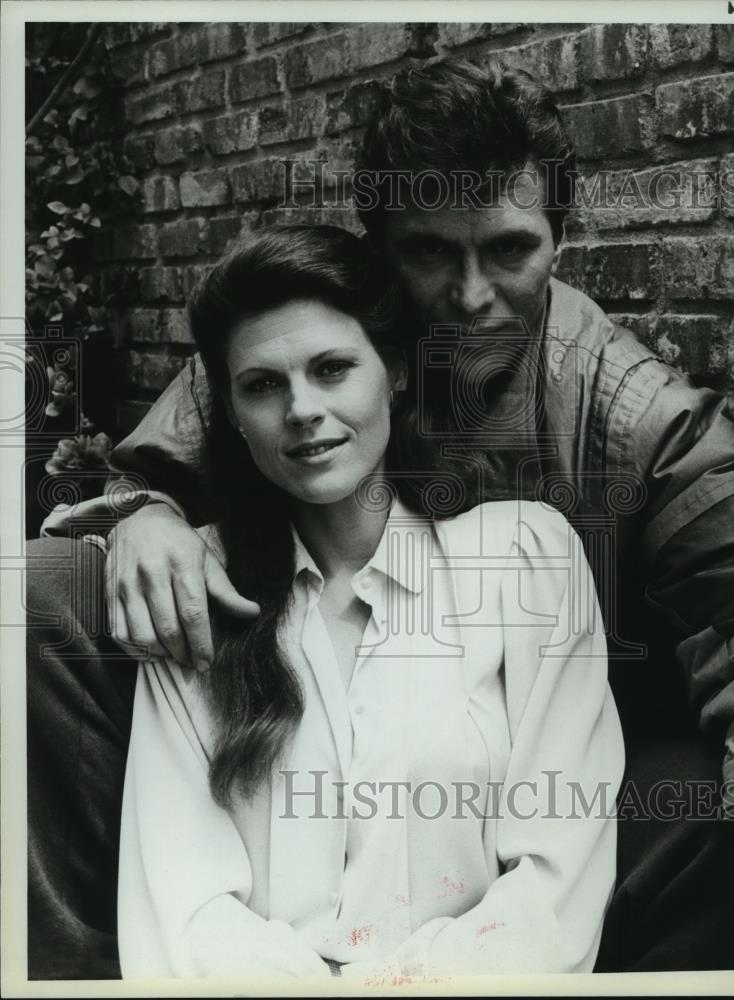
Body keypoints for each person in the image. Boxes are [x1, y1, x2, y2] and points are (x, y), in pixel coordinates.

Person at [27, 57, 734, 977]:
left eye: (510, 249)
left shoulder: (637, 414)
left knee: (702, 801)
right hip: (315, 688)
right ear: (379, 250)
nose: (473, 295)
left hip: (556, 748)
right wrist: (145, 515)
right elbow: (154, 465)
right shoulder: (307, 353)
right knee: (46, 596)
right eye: (431, 252)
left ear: (558, 241)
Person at [117, 224, 623, 978]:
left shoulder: (525, 561)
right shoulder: (199, 592)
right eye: (261, 385)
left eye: (331, 369)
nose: (300, 410)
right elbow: (182, 912)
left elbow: (556, 889)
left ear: (392, 372)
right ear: (227, 409)